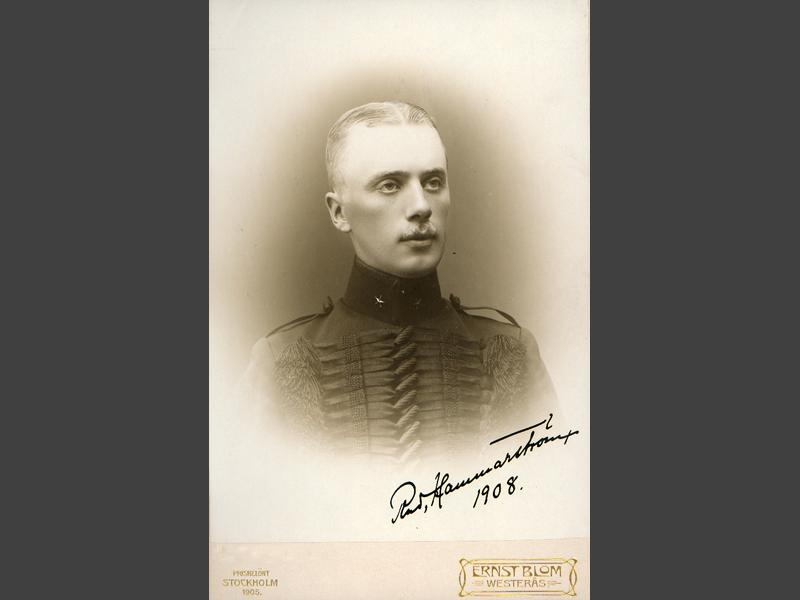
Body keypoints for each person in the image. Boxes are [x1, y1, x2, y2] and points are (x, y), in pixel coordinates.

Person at [241, 101, 556, 463]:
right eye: (390, 185)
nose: (422, 206)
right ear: (339, 212)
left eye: (433, 182)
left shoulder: (510, 353)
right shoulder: (280, 361)